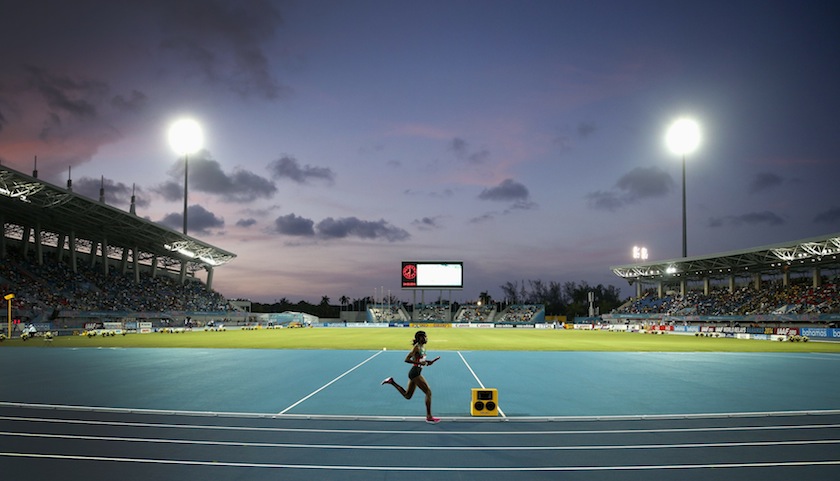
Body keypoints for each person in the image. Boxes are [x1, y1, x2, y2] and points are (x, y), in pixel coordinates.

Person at [382, 330, 441, 423]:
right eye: (424, 337)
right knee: (428, 392)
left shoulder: (423, 347)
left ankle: (391, 382)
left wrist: (429, 362)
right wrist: (419, 363)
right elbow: (407, 359)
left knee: (407, 395)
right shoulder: (416, 348)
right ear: (419, 338)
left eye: (426, 336)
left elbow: (421, 360)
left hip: (416, 372)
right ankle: (429, 416)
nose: (426, 338)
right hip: (415, 373)